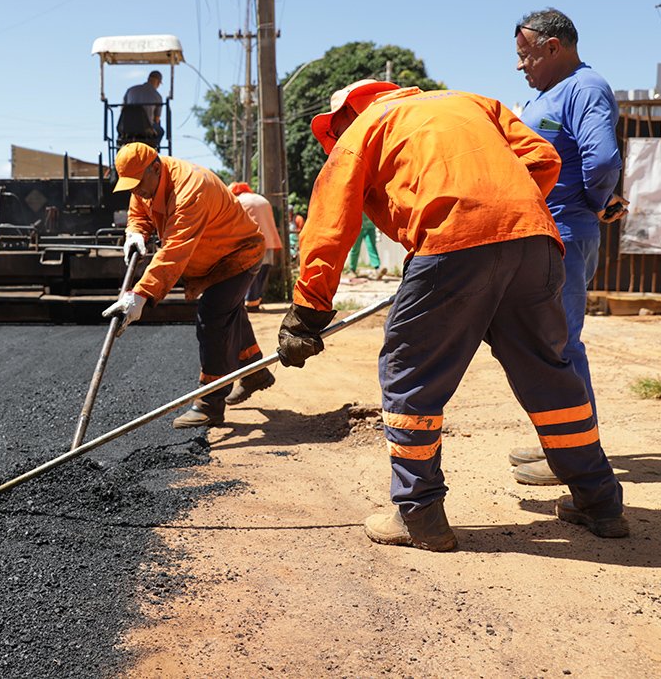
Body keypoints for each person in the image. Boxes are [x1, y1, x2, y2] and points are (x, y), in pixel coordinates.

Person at [277, 79, 627, 551]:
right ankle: (600, 501)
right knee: (550, 375)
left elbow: (328, 223)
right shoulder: (472, 102)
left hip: (453, 245)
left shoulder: (364, 130)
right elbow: (544, 158)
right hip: (536, 242)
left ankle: (418, 515)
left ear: (348, 114)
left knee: (411, 375)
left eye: (335, 126)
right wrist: (507, 215)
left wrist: (307, 313)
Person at [510, 8, 628, 486]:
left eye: (525, 55)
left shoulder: (584, 87)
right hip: (547, 231)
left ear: (552, 46)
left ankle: (577, 457)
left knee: (562, 343)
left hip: (566, 232)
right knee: (548, 342)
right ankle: (560, 443)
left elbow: (601, 160)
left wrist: (598, 202)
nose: (520, 66)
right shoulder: (551, 93)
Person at [102, 143, 272, 426]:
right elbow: (139, 212)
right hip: (209, 260)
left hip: (237, 254)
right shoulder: (145, 184)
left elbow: (175, 250)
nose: (136, 191)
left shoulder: (191, 189)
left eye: (138, 184)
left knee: (213, 314)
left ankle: (209, 402)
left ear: (156, 168)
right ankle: (255, 371)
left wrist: (140, 295)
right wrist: (135, 232)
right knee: (230, 310)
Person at [229, 182, 283, 311]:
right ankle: (255, 300)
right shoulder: (261, 199)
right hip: (268, 240)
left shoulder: (238, 201)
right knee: (262, 270)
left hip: (250, 242)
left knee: (249, 272)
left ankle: (250, 303)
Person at [121, 70, 165, 146]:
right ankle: (153, 150)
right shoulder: (157, 96)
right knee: (161, 131)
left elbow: (122, 110)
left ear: (148, 79)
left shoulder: (131, 90)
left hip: (128, 127)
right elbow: (157, 119)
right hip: (146, 129)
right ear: (158, 82)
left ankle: (122, 145)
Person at [344, 214, 384, 278]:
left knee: (372, 247)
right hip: (357, 226)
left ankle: (377, 268)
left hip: (370, 227)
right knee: (355, 249)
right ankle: (352, 270)